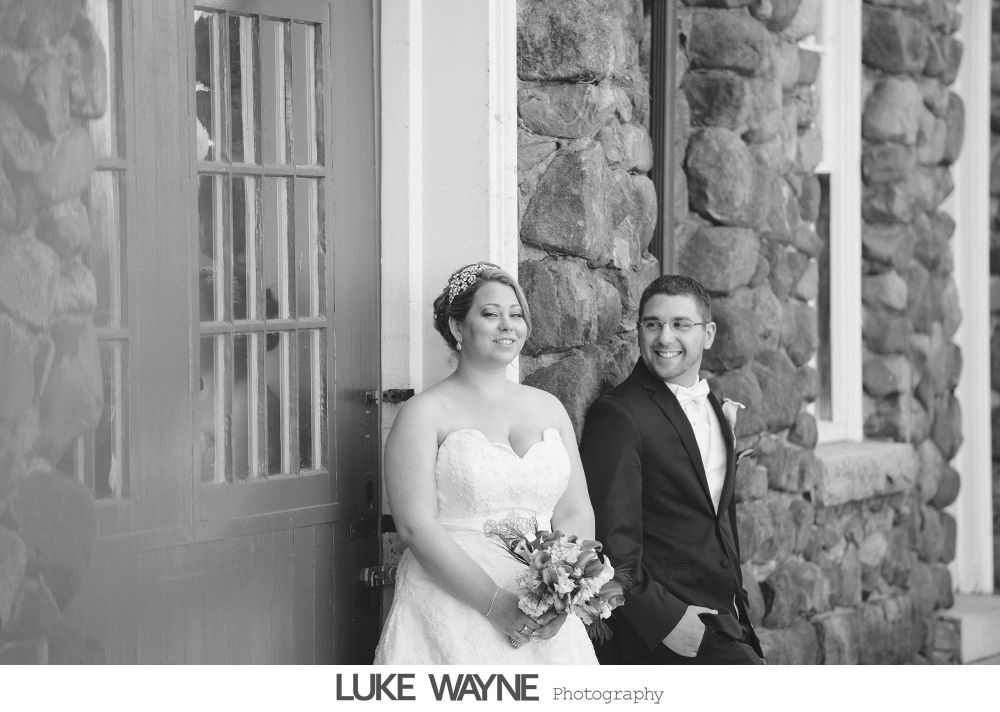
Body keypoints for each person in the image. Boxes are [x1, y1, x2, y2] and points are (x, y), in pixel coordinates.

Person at [374, 262, 599, 664]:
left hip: (543, 615)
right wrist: (496, 605)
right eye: (491, 314)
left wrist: (564, 591)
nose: (507, 326)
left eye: (516, 315)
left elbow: (575, 510)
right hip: (450, 604)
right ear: (459, 328)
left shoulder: (551, 408)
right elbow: (415, 526)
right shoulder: (424, 413)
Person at [579, 274, 764, 665]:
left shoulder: (715, 404)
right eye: (652, 324)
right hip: (664, 628)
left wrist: (739, 602)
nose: (665, 337)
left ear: (708, 334)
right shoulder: (618, 415)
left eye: (681, 324)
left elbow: (719, 516)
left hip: (726, 617)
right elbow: (612, 543)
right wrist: (667, 622)